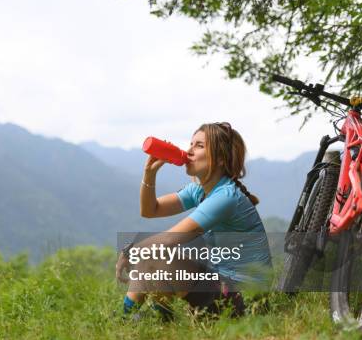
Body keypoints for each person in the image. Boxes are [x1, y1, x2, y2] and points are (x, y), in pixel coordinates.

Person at [116, 122, 271, 320]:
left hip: (247, 300)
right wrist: (150, 173)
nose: (188, 151)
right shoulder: (199, 190)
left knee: (157, 255)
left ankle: (138, 319)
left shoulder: (226, 196)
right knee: (153, 254)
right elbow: (150, 210)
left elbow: (170, 240)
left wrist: (130, 251)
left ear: (221, 159)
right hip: (222, 284)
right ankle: (143, 319)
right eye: (190, 143)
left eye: (199, 146)